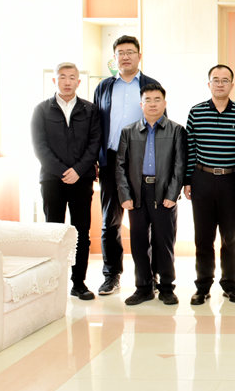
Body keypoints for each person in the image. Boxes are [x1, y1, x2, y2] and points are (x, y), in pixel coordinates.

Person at [93, 36, 162, 296]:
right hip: (111, 160)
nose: (125, 57)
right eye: (120, 52)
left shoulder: (151, 85)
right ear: (115, 58)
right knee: (110, 220)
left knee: (146, 221)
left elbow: (161, 125)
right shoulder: (104, 87)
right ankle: (111, 275)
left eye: (130, 52)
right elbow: (95, 125)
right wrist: (96, 159)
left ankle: (150, 276)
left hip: (143, 160)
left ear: (139, 56)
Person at [31, 62, 101, 300]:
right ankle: (53, 282)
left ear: (79, 82)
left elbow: (95, 144)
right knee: (53, 231)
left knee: (81, 232)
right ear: (55, 81)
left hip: (82, 179)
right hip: (52, 180)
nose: (67, 81)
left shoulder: (90, 110)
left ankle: (78, 283)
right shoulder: (41, 110)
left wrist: (78, 170)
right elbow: (39, 147)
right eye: (62, 77)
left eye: (72, 77)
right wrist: (62, 171)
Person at [116, 83, 186, 306]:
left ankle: (166, 287)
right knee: (138, 242)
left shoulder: (176, 131)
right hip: (137, 193)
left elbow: (179, 166)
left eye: (157, 100)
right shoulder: (128, 132)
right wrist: (125, 194)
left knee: (164, 241)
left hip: (164, 192)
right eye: (148, 100)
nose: (153, 104)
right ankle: (144, 287)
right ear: (141, 104)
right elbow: (120, 165)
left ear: (164, 103)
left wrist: (172, 194)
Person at [184, 65, 235, 305]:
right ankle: (203, 286)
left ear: (232, 84)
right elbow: (190, 148)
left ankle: (230, 285)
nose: (220, 84)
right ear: (208, 84)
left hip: (232, 181)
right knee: (203, 238)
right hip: (203, 180)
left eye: (225, 80)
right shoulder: (196, 112)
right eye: (216, 80)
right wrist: (188, 180)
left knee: (230, 238)